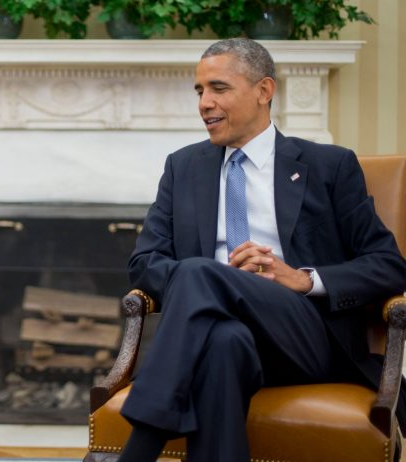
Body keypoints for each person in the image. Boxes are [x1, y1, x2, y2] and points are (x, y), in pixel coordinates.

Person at [118, 38, 406, 462]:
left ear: (263, 91)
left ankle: (140, 446)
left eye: (219, 88)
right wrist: (221, 281)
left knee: (199, 272)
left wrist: (303, 279)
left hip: (303, 335)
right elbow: (143, 264)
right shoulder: (183, 167)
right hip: (215, 333)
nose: (204, 103)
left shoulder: (329, 166)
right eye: (199, 91)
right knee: (221, 339)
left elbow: (388, 265)